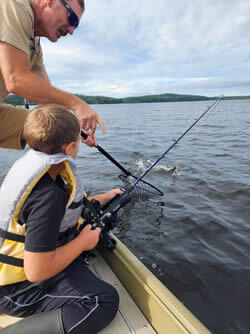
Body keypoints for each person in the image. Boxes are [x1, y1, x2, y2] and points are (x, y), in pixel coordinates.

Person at [0, 104, 122, 333]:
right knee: (103, 300)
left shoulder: (37, 171)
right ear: (69, 147)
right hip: (14, 291)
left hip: (10, 271)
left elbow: (69, 209)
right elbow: (36, 272)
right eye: (78, 139)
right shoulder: (48, 197)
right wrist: (83, 243)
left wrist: (108, 195)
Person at [0, 0, 104, 150]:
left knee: (55, 127)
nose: (71, 30)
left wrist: (74, 129)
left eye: (76, 25)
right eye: (72, 19)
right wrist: (76, 104)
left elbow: (49, 104)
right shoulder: (14, 5)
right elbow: (16, 79)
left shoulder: (35, 46)